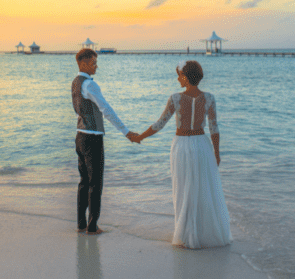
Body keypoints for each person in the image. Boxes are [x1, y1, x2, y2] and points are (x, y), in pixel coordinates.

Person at [134, 60, 232, 249]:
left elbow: (159, 124)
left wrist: (140, 137)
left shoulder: (175, 98)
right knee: (201, 189)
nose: (178, 78)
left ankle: (186, 233)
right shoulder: (210, 98)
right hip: (202, 146)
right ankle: (202, 232)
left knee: (183, 188)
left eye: (179, 75)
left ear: (186, 77)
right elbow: (214, 128)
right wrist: (217, 153)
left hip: (181, 146)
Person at [72, 48, 140, 235]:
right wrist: (126, 132)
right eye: (93, 62)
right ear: (83, 63)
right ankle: (92, 226)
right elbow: (106, 110)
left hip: (79, 136)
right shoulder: (90, 85)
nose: (96, 66)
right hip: (92, 137)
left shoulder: (75, 82)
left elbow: (78, 109)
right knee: (96, 183)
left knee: (83, 181)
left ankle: (80, 224)